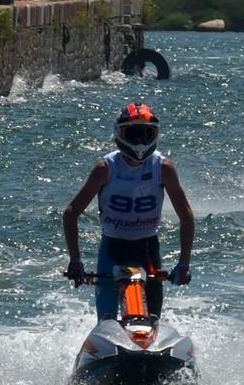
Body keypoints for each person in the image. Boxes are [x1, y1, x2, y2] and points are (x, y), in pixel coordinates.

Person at [62, 102, 195, 325]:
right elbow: (71, 213)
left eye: (147, 134)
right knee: (106, 321)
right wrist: (75, 260)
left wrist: (184, 264)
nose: (141, 141)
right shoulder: (106, 168)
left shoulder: (163, 168)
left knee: (153, 321)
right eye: (133, 134)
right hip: (112, 250)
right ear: (119, 134)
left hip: (147, 250)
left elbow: (186, 217)